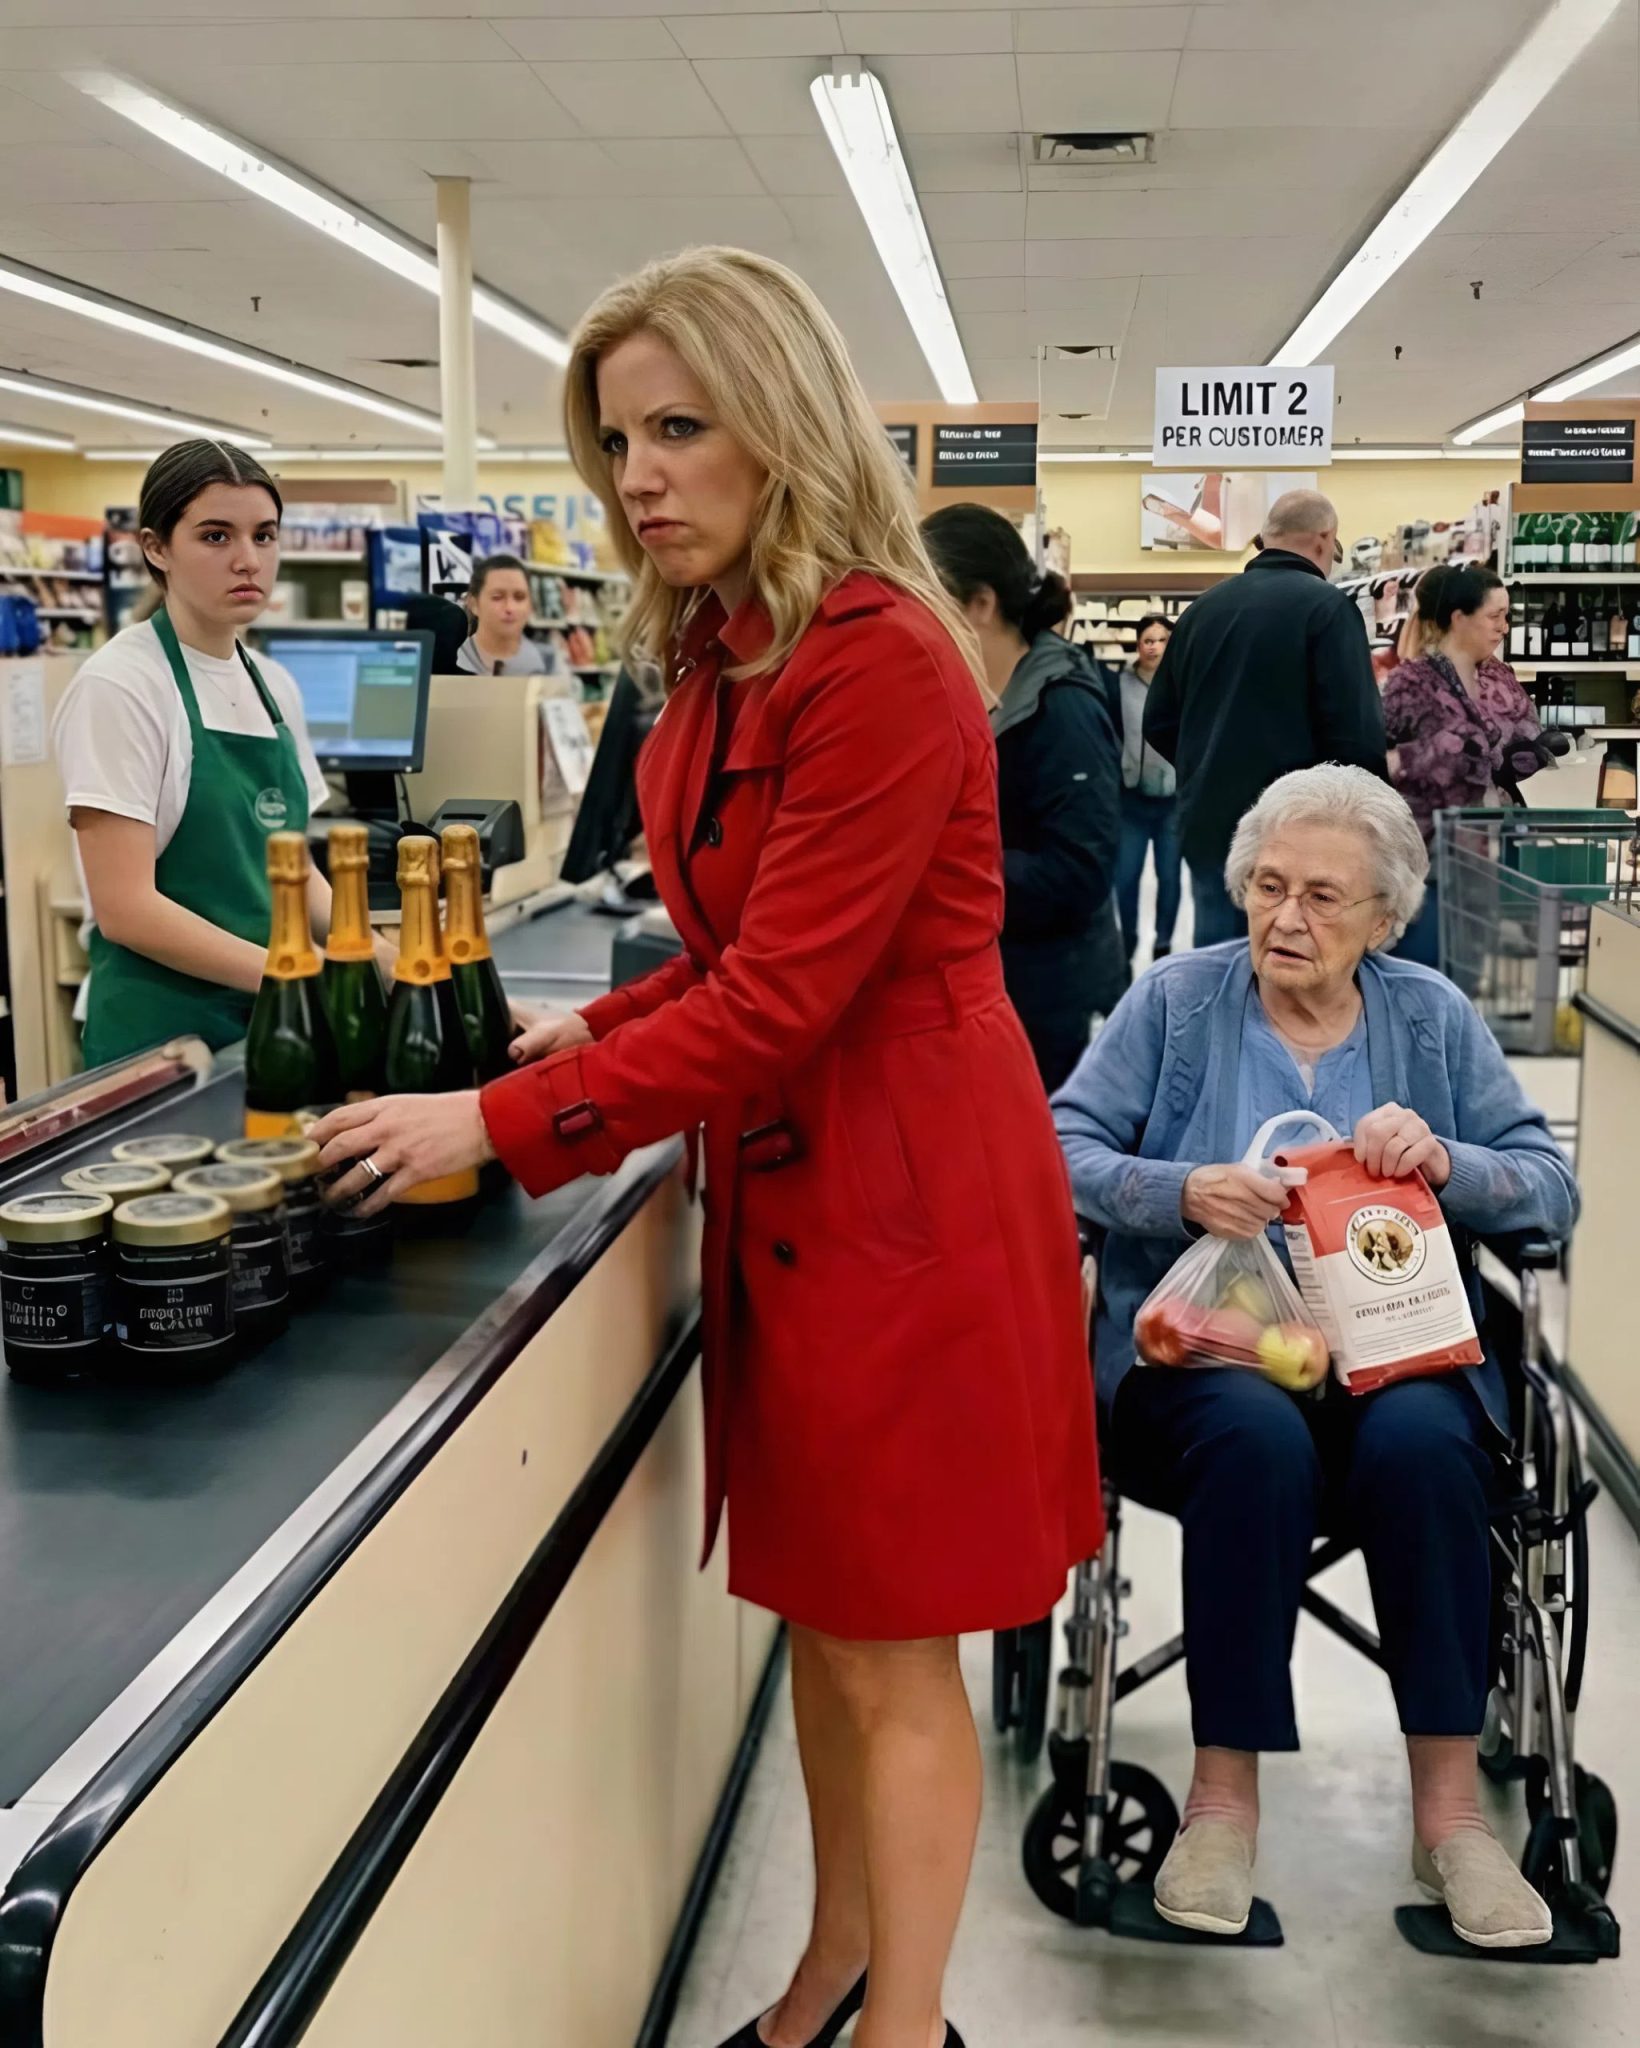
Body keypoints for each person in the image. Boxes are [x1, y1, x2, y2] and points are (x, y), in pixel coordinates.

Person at [313, 245, 1099, 2048]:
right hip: (807, 1186)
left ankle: (903, 2028)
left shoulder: (877, 658)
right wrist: (600, 1029)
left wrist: (495, 1119)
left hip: (900, 1192)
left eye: (680, 428)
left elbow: (786, 997)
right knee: (826, 1619)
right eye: (617, 441)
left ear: (782, 420)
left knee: (895, 1648)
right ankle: (830, 1975)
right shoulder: (726, 648)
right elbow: (746, 950)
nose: (641, 476)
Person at [1053, 764, 1578, 1950]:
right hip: (1202, 1362)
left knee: (1427, 1445)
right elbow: (1057, 1142)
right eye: (1268, 886)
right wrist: (1176, 1188)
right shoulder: (1174, 1002)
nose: (1285, 917)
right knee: (1252, 1436)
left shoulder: (1427, 1015)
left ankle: (1450, 1817)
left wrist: (1442, 1159)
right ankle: (1219, 1804)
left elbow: (1545, 1183)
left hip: (1396, 1361)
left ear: (1383, 918)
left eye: (1322, 896)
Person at [52, 439, 335, 1066]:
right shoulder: (121, 685)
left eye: (264, 535)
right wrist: (298, 975)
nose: (248, 560)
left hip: (269, 1024)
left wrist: (372, 956)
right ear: (156, 548)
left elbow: (294, 872)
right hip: (160, 1045)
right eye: (215, 536)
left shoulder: (273, 684)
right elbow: (126, 909)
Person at [921, 502, 1123, 1092]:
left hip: (1053, 996)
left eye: (926, 599)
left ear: (980, 604)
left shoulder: (1063, 708)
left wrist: (944, 870)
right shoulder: (969, 696)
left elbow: (1079, 870)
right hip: (994, 977)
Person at [1142, 489, 1387, 947]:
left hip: (1210, 824)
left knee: (1219, 959)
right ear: (1324, 539)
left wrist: (1206, 767)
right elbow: (1355, 737)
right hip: (1299, 832)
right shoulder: (1328, 609)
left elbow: (1158, 720)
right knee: (1293, 961)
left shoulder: (1201, 612)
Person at [1382, 564, 1547, 967]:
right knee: (1425, 962)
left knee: (1474, 972)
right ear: (1459, 618)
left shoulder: (1500, 677)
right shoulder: (1412, 681)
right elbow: (1380, 760)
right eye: (1495, 616)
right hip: (1428, 856)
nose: (1504, 627)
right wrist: (1441, 756)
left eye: (1507, 616)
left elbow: (1525, 738)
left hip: (1491, 851)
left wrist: (1531, 753)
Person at [1110, 613, 1181, 965]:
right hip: (1131, 801)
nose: (1154, 647)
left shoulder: (1183, 686)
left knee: (1170, 877)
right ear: (1138, 644)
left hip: (1172, 803)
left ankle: (1163, 944)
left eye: (1162, 640)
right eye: (1148, 640)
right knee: (1125, 878)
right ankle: (1126, 943)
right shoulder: (1119, 685)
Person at [455, 552, 547, 676]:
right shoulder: (454, 661)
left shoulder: (542, 662)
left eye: (519, 597)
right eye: (497, 597)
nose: (510, 608)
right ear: (474, 604)